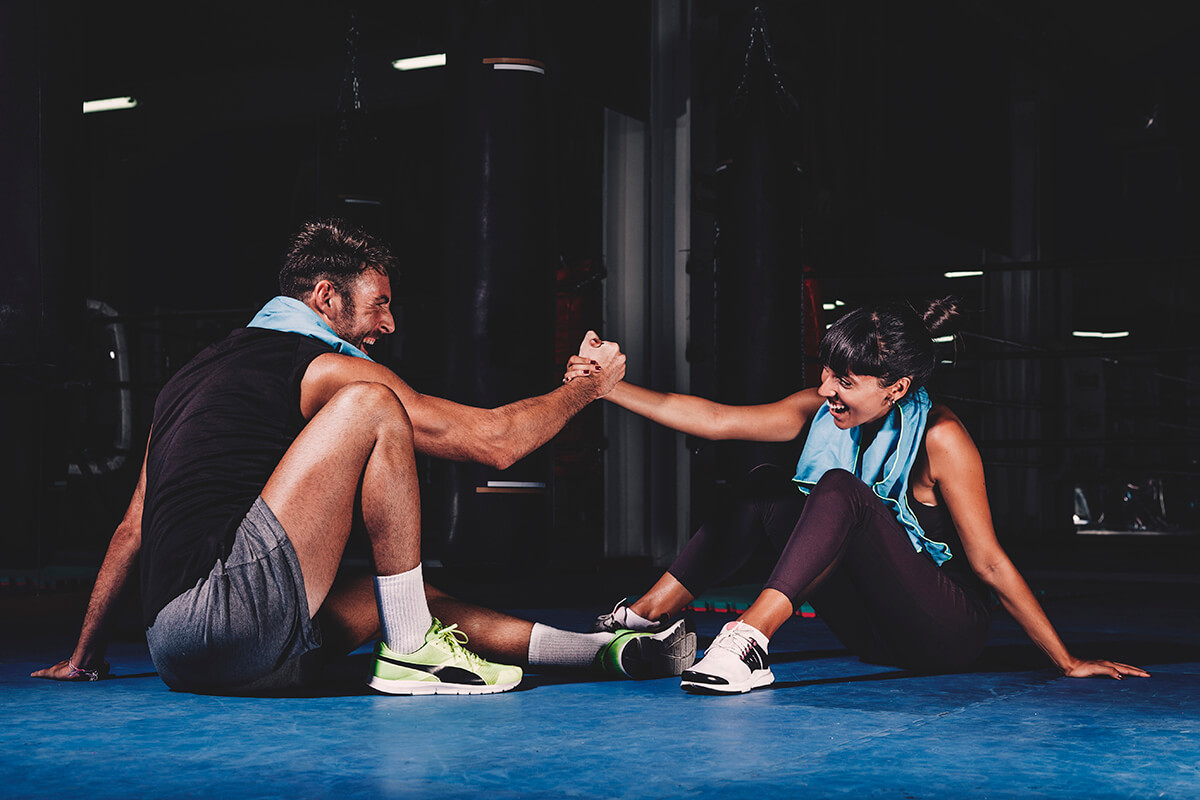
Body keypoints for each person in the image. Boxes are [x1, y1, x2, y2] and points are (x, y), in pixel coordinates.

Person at [33, 218, 694, 695]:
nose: (389, 325)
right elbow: (494, 443)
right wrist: (586, 389)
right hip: (230, 623)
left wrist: (84, 656)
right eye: (379, 305)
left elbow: (132, 528)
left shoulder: (185, 380)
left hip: (178, 654)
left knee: (403, 596)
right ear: (324, 297)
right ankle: (410, 656)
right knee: (376, 407)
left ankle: (604, 654)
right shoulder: (318, 367)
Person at [568, 296, 1149, 694]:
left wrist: (1067, 661)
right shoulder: (821, 407)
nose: (826, 391)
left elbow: (989, 561)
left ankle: (746, 640)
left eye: (844, 382)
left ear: (896, 387)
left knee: (839, 488)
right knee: (764, 488)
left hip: (945, 634)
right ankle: (649, 619)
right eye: (826, 373)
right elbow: (717, 419)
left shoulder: (942, 437)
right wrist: (603, 389)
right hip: (874, 633)